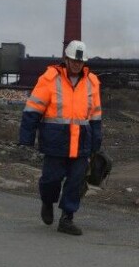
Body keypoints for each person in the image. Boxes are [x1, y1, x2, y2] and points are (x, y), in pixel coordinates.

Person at [19, 40, 102, 236]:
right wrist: (26, 138)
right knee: (51, 180)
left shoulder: (92, 82)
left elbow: (96, 115)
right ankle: (47, 202)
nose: (76, 64)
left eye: (80, 62)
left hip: (81, 142)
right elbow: (32, 109)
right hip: (55, 141)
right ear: (66, 59)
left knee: (76, 182)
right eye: (73, 60)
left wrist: (96, 142)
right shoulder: (50, 78)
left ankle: (67, 218)